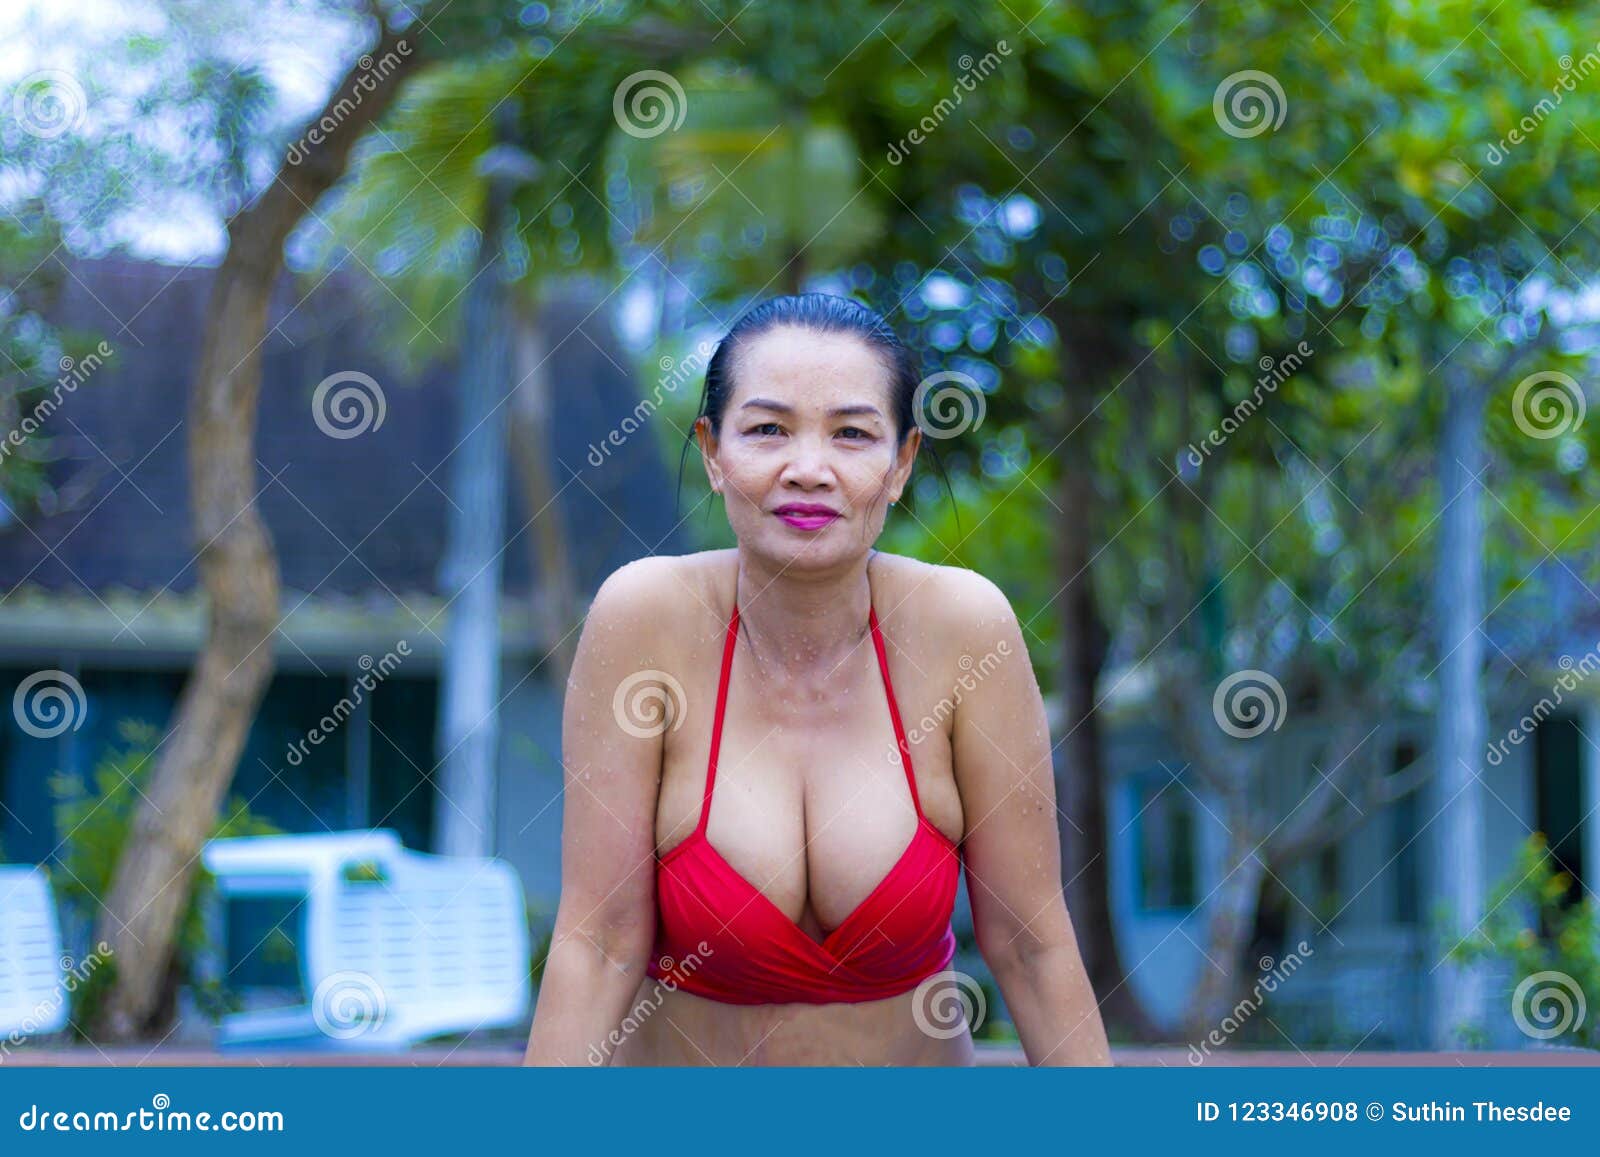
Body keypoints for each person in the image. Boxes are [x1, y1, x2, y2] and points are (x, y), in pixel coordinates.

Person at [524, 294, 1111, 1066]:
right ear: (712, 451)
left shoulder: (965, 629)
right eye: (767, 429)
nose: (808, 469)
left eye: (853, 434)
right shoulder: (645, 619)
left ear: (900, 463)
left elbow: (1033, 946)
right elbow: (596, 944)